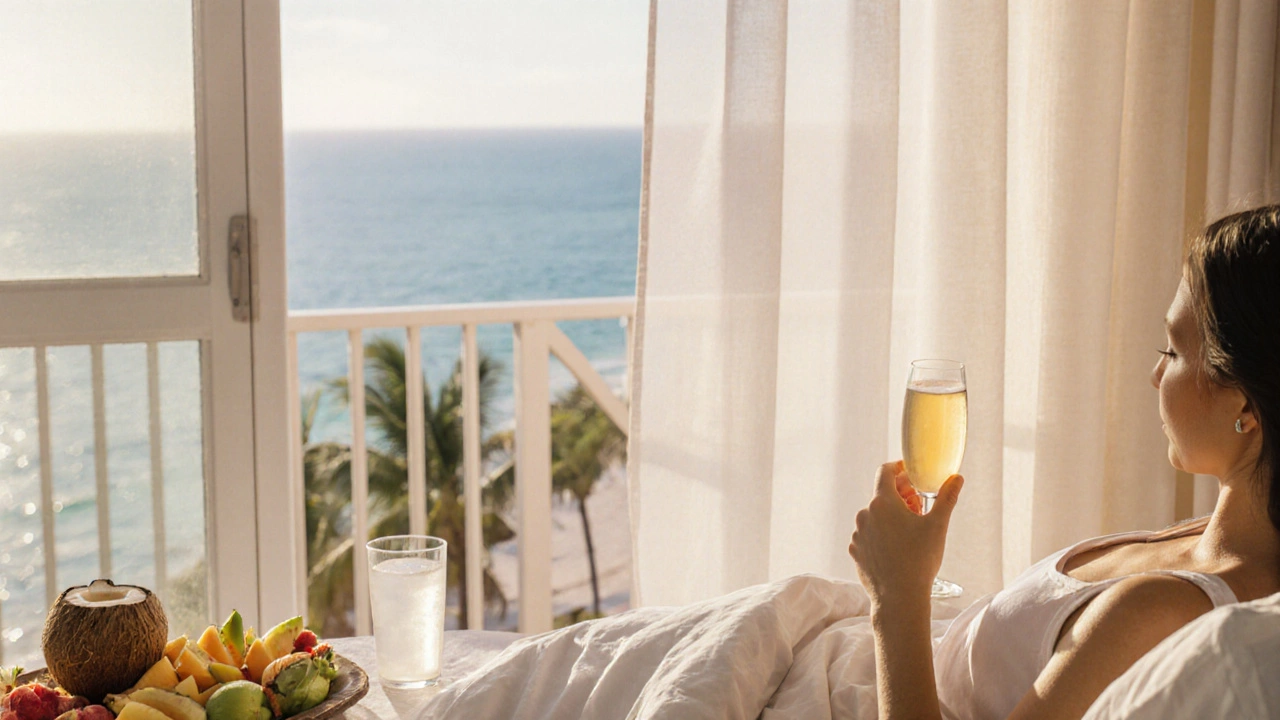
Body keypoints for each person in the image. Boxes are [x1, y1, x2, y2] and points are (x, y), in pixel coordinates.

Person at [849, 204, 1280, 720]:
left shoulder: (1155, 613)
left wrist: (896, 593)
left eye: (1171, 352)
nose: (1154, 375)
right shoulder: (1217, 541)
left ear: (1244, 407)